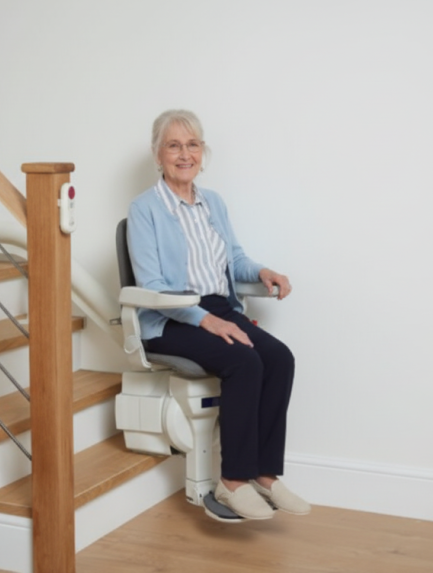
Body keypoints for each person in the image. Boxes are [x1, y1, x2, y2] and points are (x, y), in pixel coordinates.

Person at [126, 109, 310, 522]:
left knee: (279, 358)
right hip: (170, 317)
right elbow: (152, 286)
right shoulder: (145, 209)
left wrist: (263, 272)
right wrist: (203, 319)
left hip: (219, 307)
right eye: (174, 145)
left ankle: (264, 474)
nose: (184, 153)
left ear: (202, 152)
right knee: (244, 360)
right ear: (158, 154)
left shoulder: (214, 203)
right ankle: (232, 483)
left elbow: (235, 259)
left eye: (192, 144)